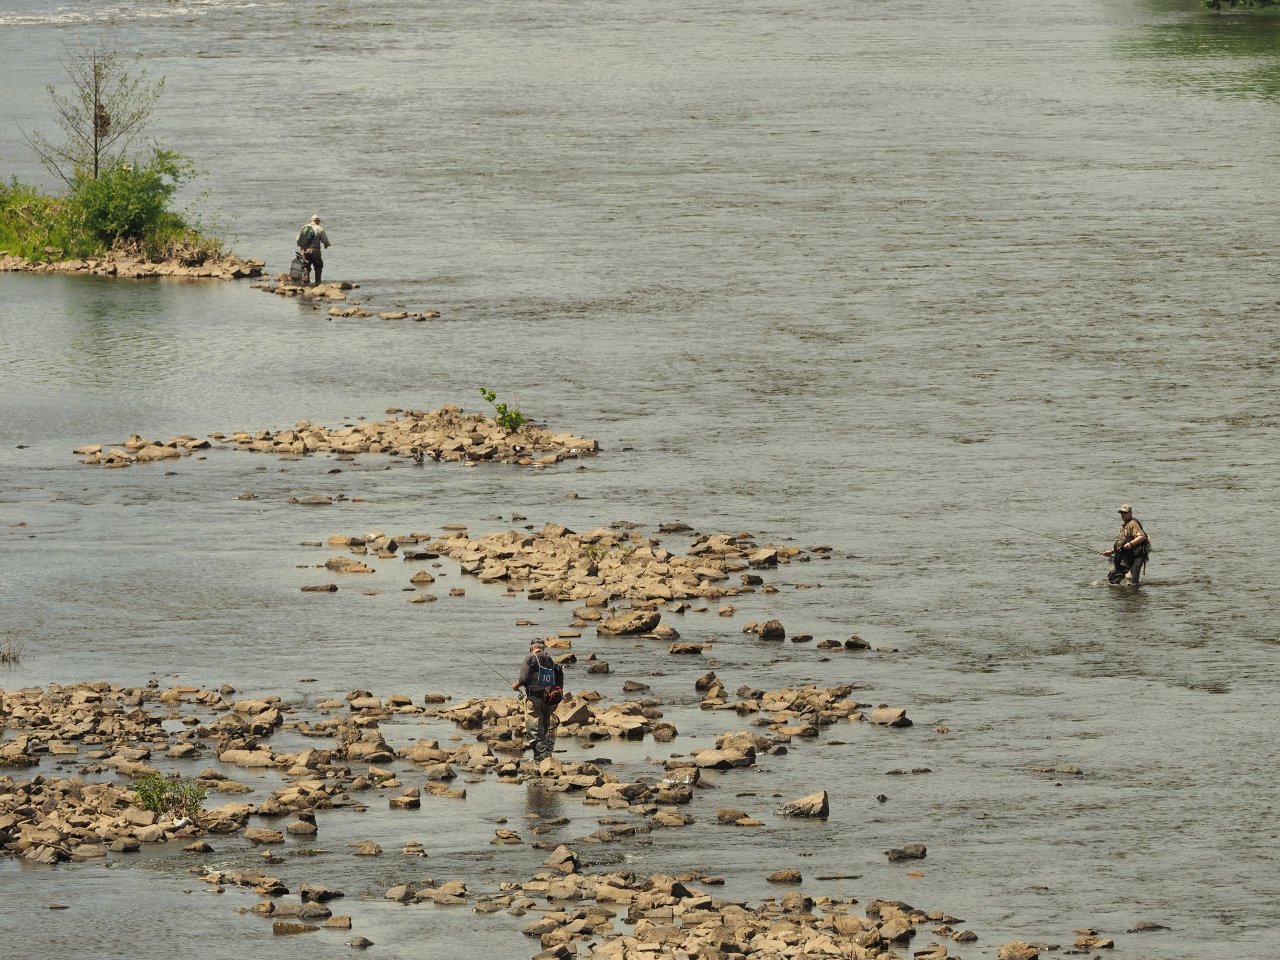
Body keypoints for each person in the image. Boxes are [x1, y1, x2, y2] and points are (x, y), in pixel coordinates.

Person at [511, 638, 565, 762]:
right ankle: (542, 758)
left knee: (534, 728)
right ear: (543, 647)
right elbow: (559, 679)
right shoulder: (550, 661)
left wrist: (515, 686)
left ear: (532, 648)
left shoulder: (530, 658)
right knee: (544, 727)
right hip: (549, 700)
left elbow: (524, 679)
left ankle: (541, 756)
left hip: (534, 699)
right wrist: (557, 700)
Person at [1102, 503, 1150, 585]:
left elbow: (1142, 536)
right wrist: (1112, 551)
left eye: (1125, 513)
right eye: (1121, 513)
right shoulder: (1124, 526)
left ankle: (1133, 591)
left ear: (1130, 513)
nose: (1122, 515)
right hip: (1126, 556)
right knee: (1114, 576)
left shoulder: (1133, 523)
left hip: (1137, 556)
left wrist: (1131, 544)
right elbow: (1122, 543)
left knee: (1131, 582)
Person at [295, 214, 331, 284]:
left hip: (305, 250)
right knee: (318, 266)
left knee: (306, 266)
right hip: (315, 250)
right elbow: (325, 240)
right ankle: (318, 282)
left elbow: (298, 239)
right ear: (317, 220)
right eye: (319, 221)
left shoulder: (304, 227)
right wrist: (327, 244)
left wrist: (301, 248)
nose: (319, 222)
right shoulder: (319, 228)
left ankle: (306, 281)